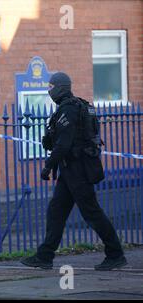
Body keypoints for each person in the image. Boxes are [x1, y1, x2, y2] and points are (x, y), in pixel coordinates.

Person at [21, 72, 127, 271]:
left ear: (60, 87)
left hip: (78, 170)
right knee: (56, 211)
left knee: (92, 213)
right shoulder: (74, 106)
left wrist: (48, 165)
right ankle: (45, 256)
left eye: (51, 87)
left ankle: (115, 254)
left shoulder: (69, 109)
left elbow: (64, 144)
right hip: (70, 171)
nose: (49, 90)